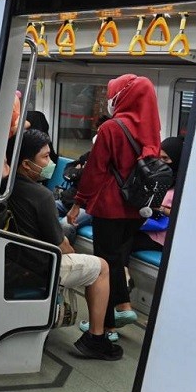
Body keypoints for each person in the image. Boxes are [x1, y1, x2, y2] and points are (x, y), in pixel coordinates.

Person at [7, 129, 123, 357]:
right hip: (38, 264)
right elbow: (61, 246)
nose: (50, 162)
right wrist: (70, 250)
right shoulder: (41, 195)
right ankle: (96, 339)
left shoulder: (4, 186)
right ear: (26, 164)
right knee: (102, 267)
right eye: (45, 157)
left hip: (12, 258)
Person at [67, 74, 161, 336]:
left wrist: (78, 204)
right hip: (137, 209)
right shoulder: (152, 129)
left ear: (124, 96)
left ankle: (106, 325)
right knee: (117, 258)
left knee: (103, 266)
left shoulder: (111, 128)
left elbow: (94, 172)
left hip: (110, 207)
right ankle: (122, 307)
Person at [132, 136, 184, 252]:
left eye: (166, 159)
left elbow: (180, 215)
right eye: (159, 158)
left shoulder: (182, 187)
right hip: (148, 227)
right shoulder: (158, 178)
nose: (161, 163)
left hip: (162, 235)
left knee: (126, 242)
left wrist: (159, 208)